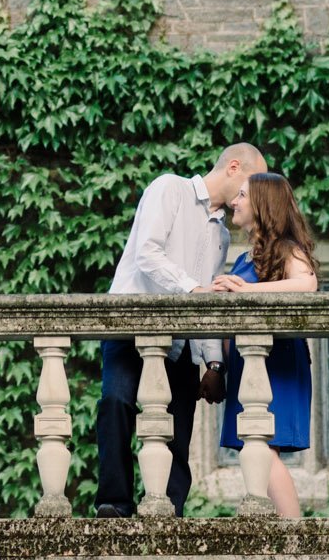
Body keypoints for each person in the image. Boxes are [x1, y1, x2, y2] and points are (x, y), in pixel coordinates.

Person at [95, 142, 267, 518]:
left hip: (180, 341)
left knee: (180, 426)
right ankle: (114, 505)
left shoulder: (221, 235)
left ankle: (169, 512)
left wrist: (214, 363)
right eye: (253, 182)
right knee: (116, 403)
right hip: (129, 328)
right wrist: (192, 290)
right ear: (234, 167)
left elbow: (207, 302)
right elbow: (148, 253)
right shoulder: (168, 188)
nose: (252, 195)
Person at [212, 171, 319, 518]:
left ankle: (296, 539)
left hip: (277, 364)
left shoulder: (288, 249)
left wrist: (246, 291)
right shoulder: (245, 259)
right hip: (247, 368)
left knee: (262, 446)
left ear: (262, 205)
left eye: (243, 195)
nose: (234, 201)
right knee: (255, 449)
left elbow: (307, 285)